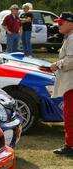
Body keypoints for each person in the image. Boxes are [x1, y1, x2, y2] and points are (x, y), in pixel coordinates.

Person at [50, 12, 73, 155]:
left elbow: (71, 60)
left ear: (70, 23)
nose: (58, 25)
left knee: (70, 114)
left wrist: (57, 64)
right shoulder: (69, 37)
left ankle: (70, 146)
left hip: (71, 83)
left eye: (61, 23)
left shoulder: (72, 38)